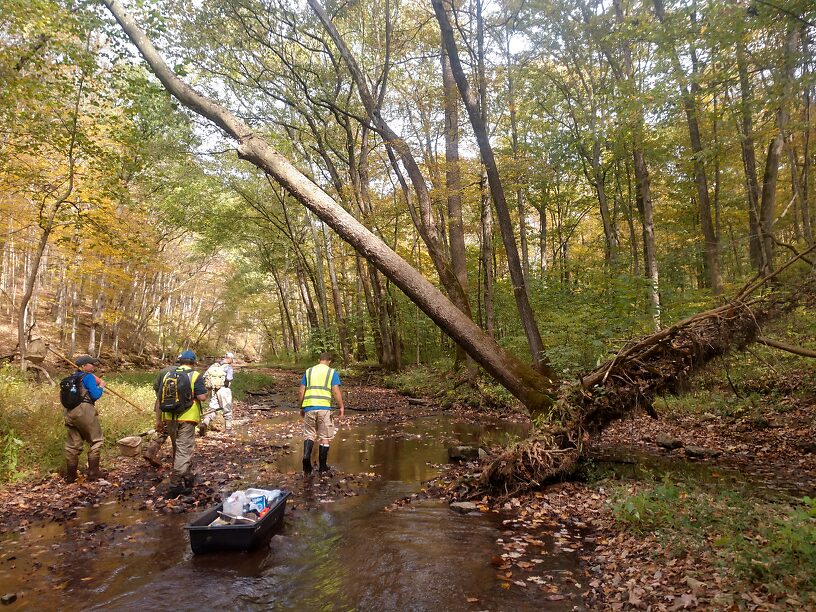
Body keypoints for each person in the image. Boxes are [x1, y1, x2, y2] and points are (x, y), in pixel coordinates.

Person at [153, 350, 207, 498]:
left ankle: (187, 477)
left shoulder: (168, 375)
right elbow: (202, 397)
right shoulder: (195, 375)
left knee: (177, 448)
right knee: (184, 450)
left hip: (169, 416)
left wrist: (159, 419)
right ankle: (175, 485)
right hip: (188, 417)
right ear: (193, 362)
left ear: (180, 361)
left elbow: (159, 397)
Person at [298, 352, 345, 474]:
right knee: (324, 437)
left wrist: (302, 407)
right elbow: (335, 391)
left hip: (309, 407)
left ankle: (306, 458)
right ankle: (322, 467)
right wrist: (341, 406)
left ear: (319, 360)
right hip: (324, 409)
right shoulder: (331, 372)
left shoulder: (308, 371)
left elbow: (301, 391)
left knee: (309, 434)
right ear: (329, 361)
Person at [64, 355, 107, 483]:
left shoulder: (72, 378)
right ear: (83, 366)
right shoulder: (87, 377)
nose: (93, 366)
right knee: (96, 440)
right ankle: (94, 472)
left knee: (73, 445)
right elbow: (95, 395)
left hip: (69, 412)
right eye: (91, 364)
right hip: (85, 411)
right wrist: (101, 386)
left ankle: (71, 476)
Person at [199, 352, 235, 434]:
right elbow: (229, 378)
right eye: (232, 359)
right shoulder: (228, 367)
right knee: (227, 409)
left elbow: (204, 376)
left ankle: (205, 423)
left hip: (214, 390)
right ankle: (228, 430)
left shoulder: (214, 365)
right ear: (230, 359)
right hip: (224, 390)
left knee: (212, 408)